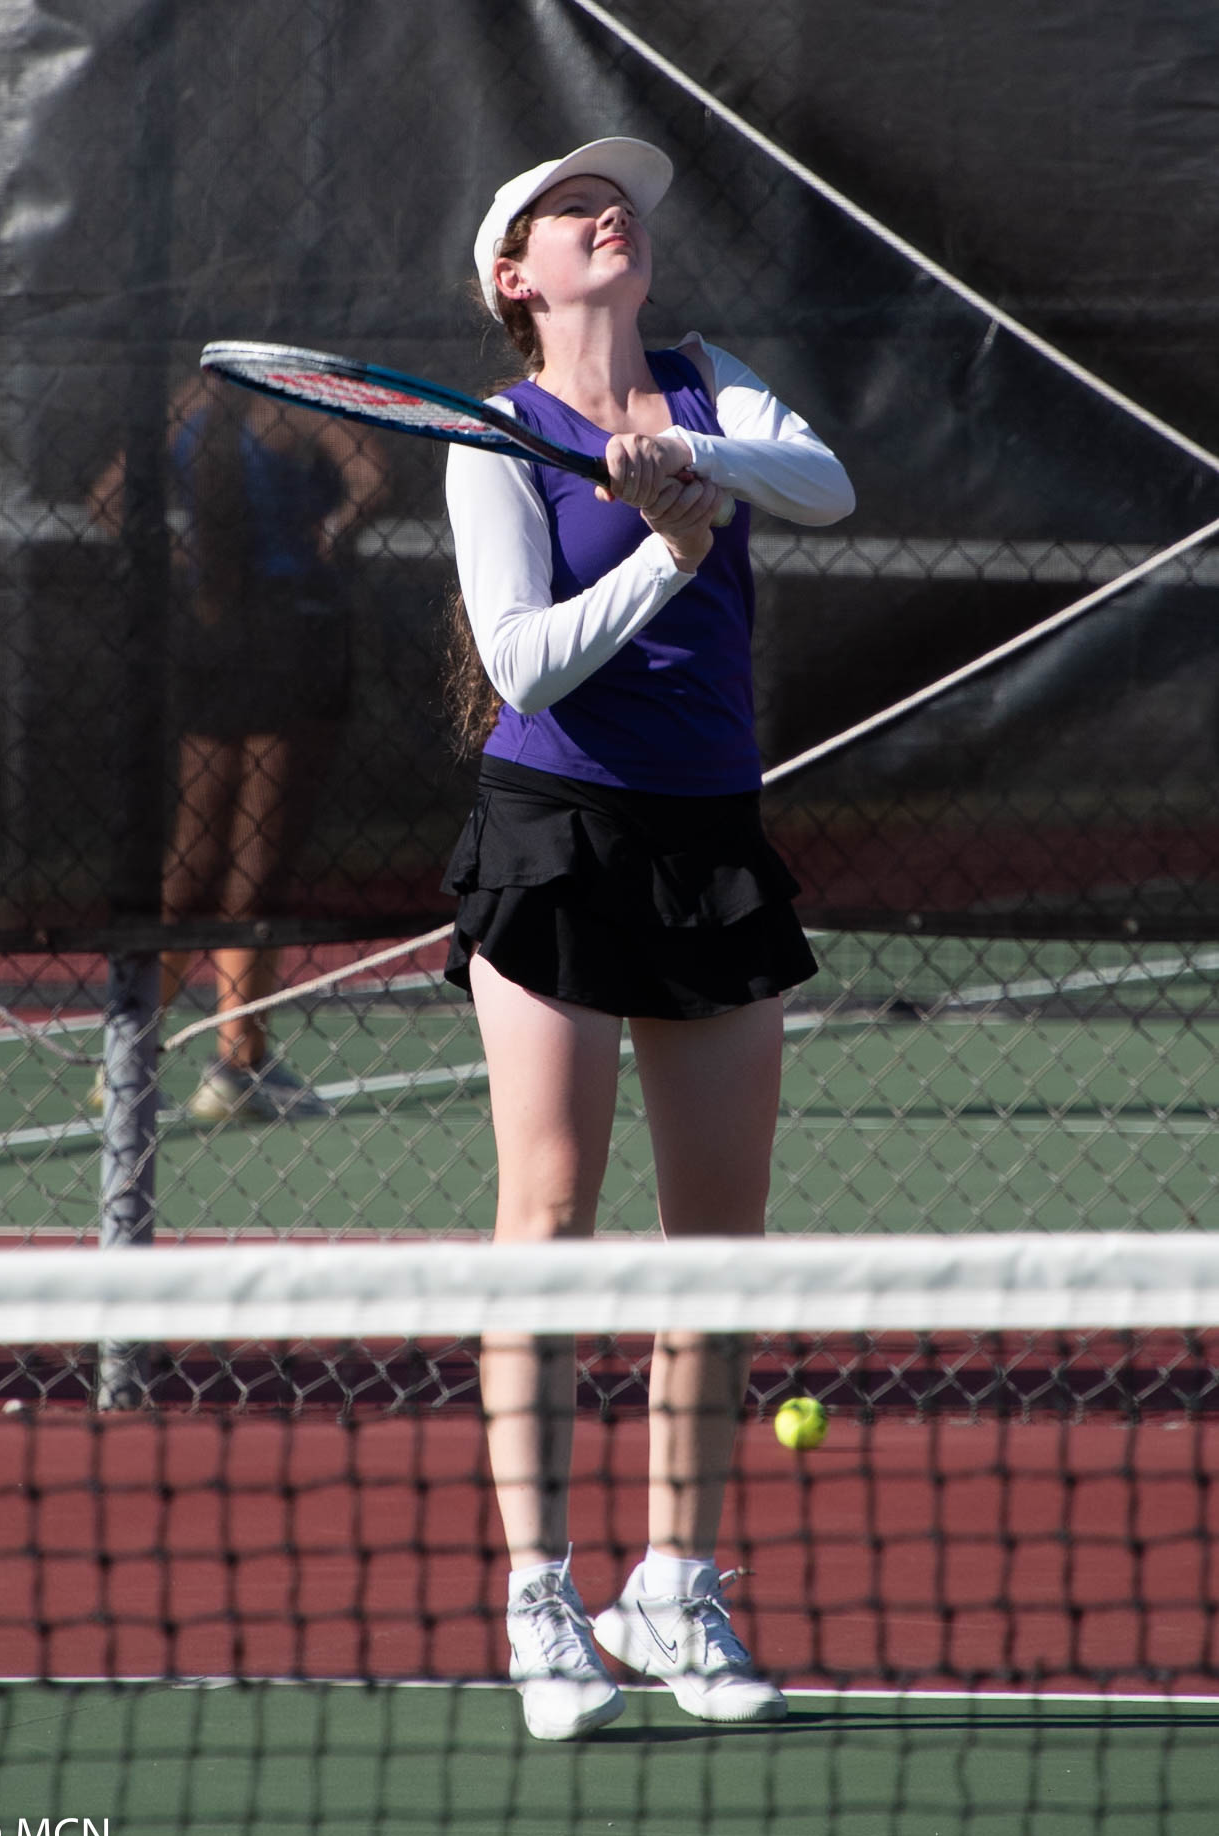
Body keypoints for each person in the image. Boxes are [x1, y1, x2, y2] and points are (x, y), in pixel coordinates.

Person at [441, 138, 855, 1741]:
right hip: (555, 832)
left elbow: (825, 486)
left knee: (718, 1240)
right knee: (548, 1212)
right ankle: (541, 1596)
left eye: (615, 201)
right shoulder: (495, 437)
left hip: (709, 836)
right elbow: (525, 666)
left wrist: (690, 457)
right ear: (516, 274)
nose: (606, 211)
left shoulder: (710, 381)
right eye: (567, 205)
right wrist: (672, 555)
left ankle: (674, 1580)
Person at [89, 374, 391, 1121]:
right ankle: (238, 1062)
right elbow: (372, 474)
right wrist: (333, 529)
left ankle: (129, 1049)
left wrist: (184, 551)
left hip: (211, 626)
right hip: (289, 628)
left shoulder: (188, 401)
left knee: (191, 849)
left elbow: (106, 499)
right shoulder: (291, 397)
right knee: (258, 851)